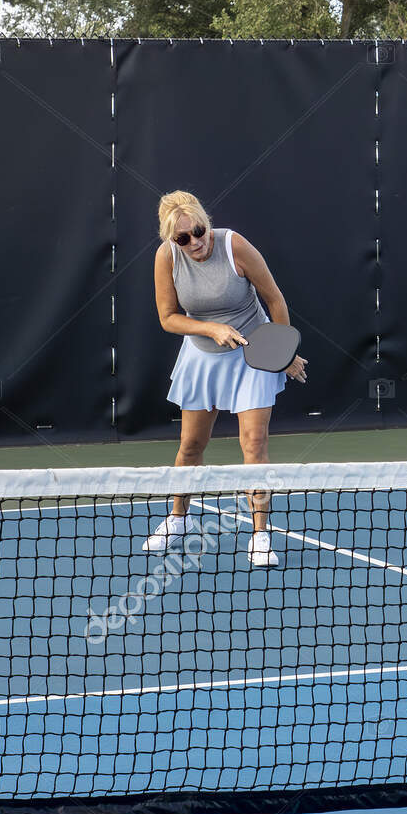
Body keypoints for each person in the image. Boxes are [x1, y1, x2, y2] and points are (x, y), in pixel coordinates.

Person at [144, 191, 307, 566]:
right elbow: (168, 318)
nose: (195, 242)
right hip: (202, 356)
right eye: (183, 237)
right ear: (171, 238)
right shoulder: (166, 258)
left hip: (252, 352)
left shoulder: (235, 246)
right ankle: (177, 519)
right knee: (191, 446)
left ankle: (261, 536)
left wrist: (280, 354)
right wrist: (211, 328)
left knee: (254, 442)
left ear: (206, 223)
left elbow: (275, 300)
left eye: (199, 231)